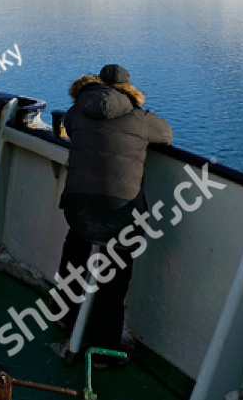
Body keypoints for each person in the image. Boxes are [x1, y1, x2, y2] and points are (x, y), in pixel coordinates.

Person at [58, 63, 172, 365]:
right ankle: (104, 351)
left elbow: (70, 128)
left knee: (76, 249)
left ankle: (66, 318)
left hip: (78, 204)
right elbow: (167, 135)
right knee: (113, 276)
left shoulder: (76, 111)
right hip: (119, 209)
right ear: (128, 87)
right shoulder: (140, 117)